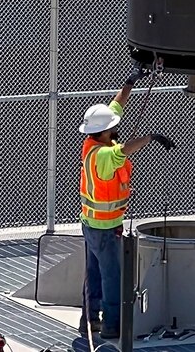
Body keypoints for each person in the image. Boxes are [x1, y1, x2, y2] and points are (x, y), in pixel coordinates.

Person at [78, 67, 174, 338]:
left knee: (94, 273)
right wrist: (151, 138)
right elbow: (125, 149)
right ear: (107, 131)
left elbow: (115, 107)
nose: (117, 126)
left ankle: (89, 318)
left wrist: (129, 83)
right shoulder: (105, 155)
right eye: (114, 126)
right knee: (112, 277)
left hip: (91, 225)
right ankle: (111, 325)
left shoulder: (91, 144)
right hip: (105, 228)